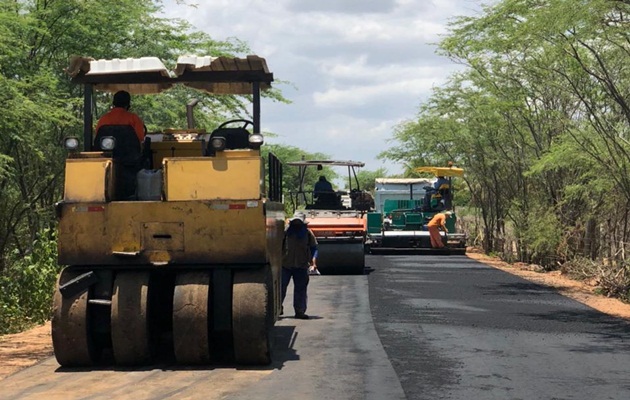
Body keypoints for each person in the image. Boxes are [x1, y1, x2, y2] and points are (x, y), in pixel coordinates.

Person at [281, 211, 318, 319]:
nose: (296, 225)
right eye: (295, 222)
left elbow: (314, 248)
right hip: (285, 265)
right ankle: (279, 308)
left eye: (299, 223)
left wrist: (313, 262)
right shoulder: (285, 232)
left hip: (301, 265)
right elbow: (278, 246)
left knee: (301, 289)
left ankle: (300, 311)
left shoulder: (307, 233)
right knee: (281, 288)